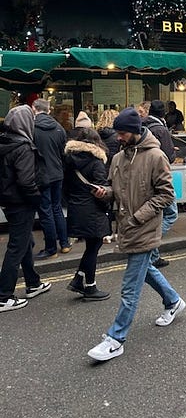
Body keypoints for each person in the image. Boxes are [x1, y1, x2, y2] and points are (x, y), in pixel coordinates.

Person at [87, 107, 185, 362]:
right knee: (146, 270)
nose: (118, 137)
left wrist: (138, 217)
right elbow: (114, 189)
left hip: (144, 227)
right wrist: (104, 192)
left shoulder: (156, 156)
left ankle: (115, 339)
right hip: (127, 227)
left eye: (121, 133)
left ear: (134, 131)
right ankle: (173, 301)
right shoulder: (118, 158)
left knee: (130, 288)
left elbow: (166, 195)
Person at [0, 105, 51, 312]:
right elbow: (26, 181)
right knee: (16, 247)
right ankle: (4, 296)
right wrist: (36, 200)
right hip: (21, 202)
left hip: (8, 201)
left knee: (24, 241)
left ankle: (33, 283)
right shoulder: (23, 147)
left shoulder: (4, 142)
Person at [63, 128, 111, 300]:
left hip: (76, 207)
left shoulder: (68, 160)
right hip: (92, 210)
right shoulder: (96, 161)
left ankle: (78, 279)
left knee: (92, 246)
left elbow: (65, 188)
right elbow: (101, 189)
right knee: (93, 247)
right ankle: (90, 287)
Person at [32, 98, 71, 260]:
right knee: (57, 208)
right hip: (57, 174)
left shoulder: (32, 128)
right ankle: (65, 243)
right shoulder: (59, 128)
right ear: (48, 110)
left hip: (42, 175)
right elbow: (64, 152)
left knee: (45, 211)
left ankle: (50, 248)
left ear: (34, 109)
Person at [142, 100, 179, 267]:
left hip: (144, 178)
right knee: (171, 214)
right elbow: (168, 156)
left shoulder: (142, 126)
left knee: (155, 214)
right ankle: (150, 243)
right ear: (163, 113)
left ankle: (154, 256)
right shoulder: (161, 129)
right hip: (160, 178)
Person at [96, 109, 120, 244]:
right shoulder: (118, 136)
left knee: (103, 203)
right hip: (114, 172)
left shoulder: (96, 136)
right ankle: (115, 233)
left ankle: (105, 232)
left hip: (100, 172)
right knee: (117, 203)